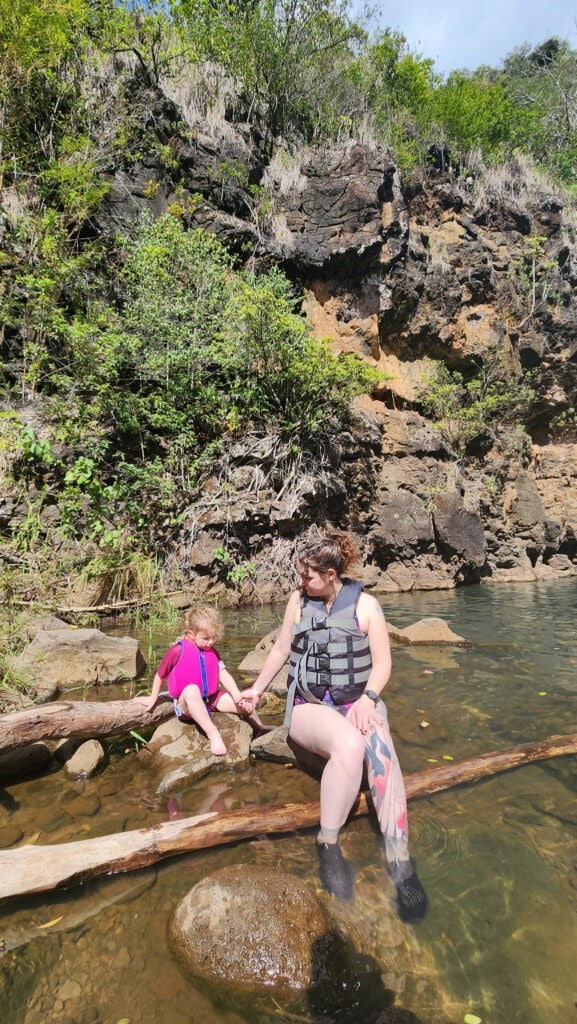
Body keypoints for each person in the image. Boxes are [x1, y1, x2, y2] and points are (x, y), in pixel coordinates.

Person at [237, 530, 428, 922]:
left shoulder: (368, 606)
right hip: (309, 708)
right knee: (349, 746)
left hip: (358, 702)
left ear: (328, 573)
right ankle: (327, 843)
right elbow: (281, 649)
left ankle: (401, 862)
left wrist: (367, 699)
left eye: (307, 576)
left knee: (384, 759)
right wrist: (256, 690)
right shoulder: (298, 601)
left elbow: (383, 665)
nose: (300, 582)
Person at [134, 605, 266, 756]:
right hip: (187, 703)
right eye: (206, 638)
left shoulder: (212, 652)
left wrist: (237, 696)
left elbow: (223, 674)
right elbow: (160, 675)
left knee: (246, 705)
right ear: (191, 634)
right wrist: (153, 697)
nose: (210, 642)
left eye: (213, 637)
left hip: (211, 698)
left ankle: (259, 729)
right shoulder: (177, 651)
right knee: (192, 690)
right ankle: (213, 734)